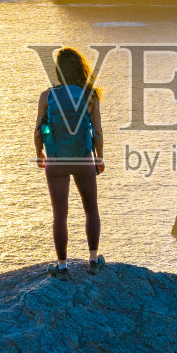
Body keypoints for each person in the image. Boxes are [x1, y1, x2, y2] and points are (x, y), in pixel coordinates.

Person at [35, 47, 104, 277]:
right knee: (91, 209)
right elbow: (97, 133)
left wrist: (39, 154)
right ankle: (94, 261)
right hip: (83, 158)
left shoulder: (47, 96)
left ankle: (62, 266)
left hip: (56, 161)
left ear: (58, 72)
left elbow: (38, 130)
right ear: (80, 68)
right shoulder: (89, 95)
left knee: (60, 214)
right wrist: (99, 158)